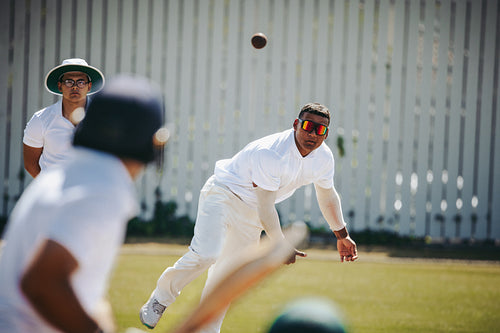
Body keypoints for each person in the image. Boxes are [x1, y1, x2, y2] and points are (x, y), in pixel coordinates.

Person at [140, 102, 358, 332]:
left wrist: (342, 235)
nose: (313, 133)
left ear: (326, 134)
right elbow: (266, 206)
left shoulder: (324, 158)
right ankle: (160, 298)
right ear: (296, 124)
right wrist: (280, 244)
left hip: (251, 212)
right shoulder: (271, 152)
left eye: (320, 129)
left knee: (227, 277)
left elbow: (326, 194)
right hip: (223, 193)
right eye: (308, 126)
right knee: (206, 254)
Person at [0, 75, 168, 333]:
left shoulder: (72, 171)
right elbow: (42, 282)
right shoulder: (101, 187)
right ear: (152, 143)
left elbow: (85, 290)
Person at [23, 58, 105, 178]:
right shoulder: (40, 120)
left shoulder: (103, 118)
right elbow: (30, 165)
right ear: (60, 86)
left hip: (93, 191)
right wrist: (49, 188)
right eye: (69, 81)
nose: (75, 87)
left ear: (89, 86)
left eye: (81, 82)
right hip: (55, 193)